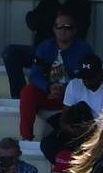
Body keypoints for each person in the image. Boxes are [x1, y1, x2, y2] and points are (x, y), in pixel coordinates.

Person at [3, 0, 93, 99]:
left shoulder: (82, 4)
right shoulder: (46, 2)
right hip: (42, 53)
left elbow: (80, 27)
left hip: (69, 55)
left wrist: (47, 20)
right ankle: (19, 96)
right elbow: (32, 22)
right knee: (10, 52)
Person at [16, 11, 91, 139]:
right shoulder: (44, 47)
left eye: (67, 27)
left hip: (73, 98)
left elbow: (88, 78)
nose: (63, 30)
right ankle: (26, 138)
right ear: (54, 29)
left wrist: (66, 90)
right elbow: (35, 75)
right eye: (59, 27)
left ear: (75, 30)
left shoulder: (84, 50)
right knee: (27, 92)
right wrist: (49, 87)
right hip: (50, 93)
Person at [61, 56, 103, 123]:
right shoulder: (74, 84)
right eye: (83, 77)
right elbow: (64, 120)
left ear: (101, 73)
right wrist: (69, 128)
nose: (87, 82)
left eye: (91, 78)